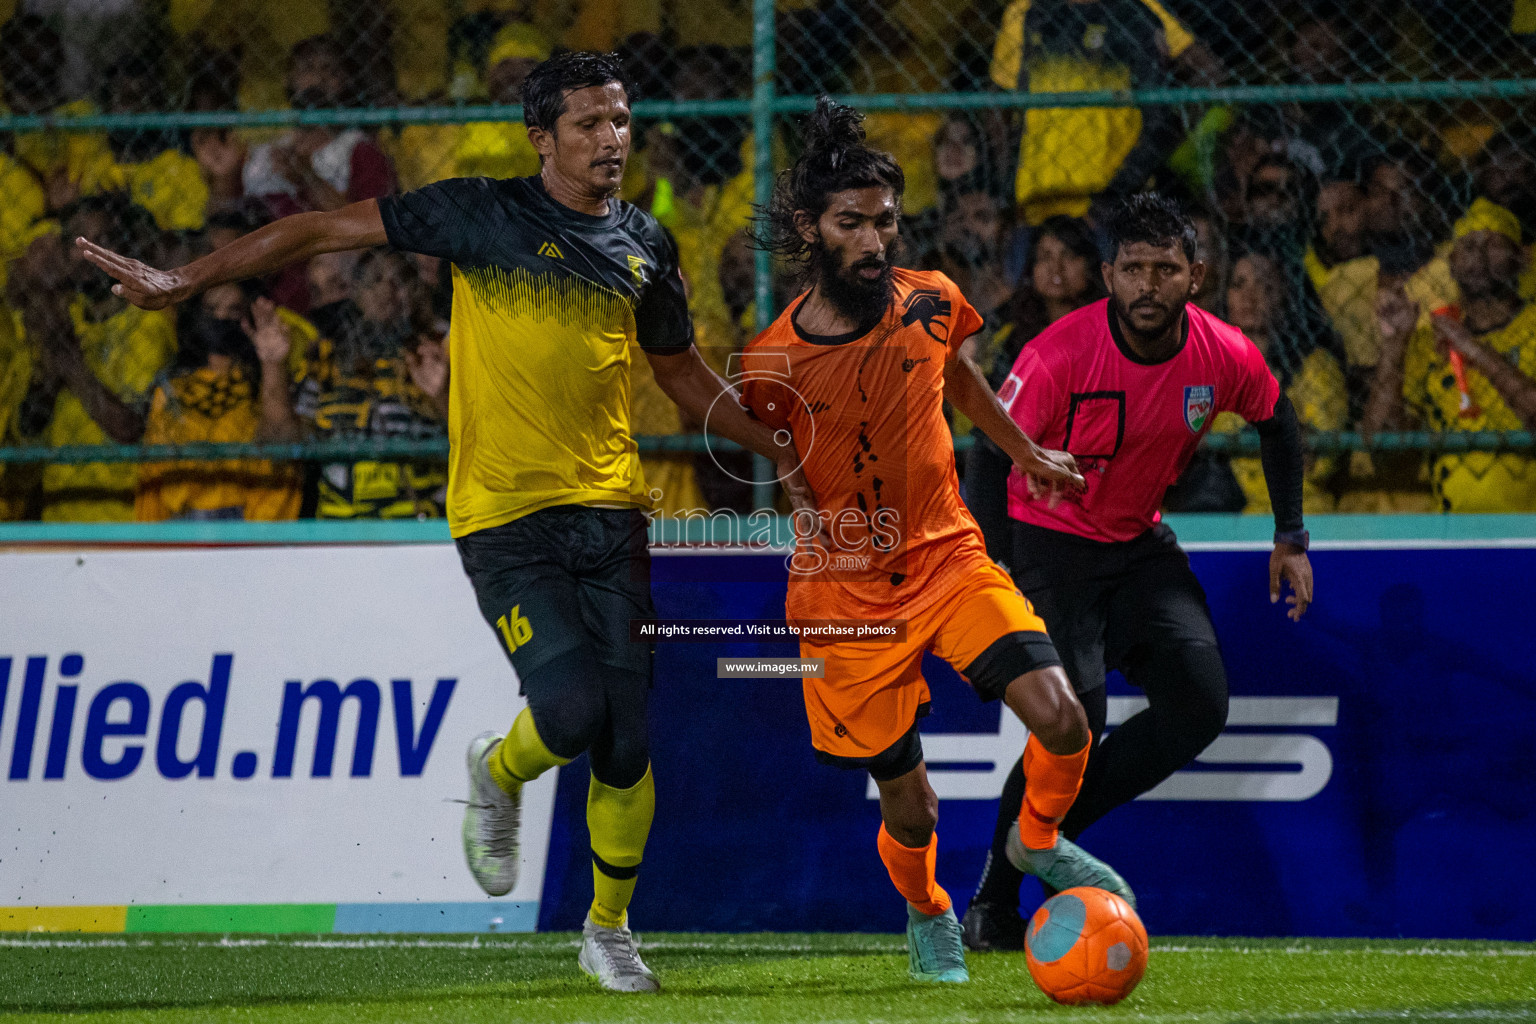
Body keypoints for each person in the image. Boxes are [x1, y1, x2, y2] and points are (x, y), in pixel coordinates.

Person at [77, 50, 810, 992]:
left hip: (613, 510)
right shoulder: (480, 210)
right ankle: (499, 771)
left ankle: (609, 930)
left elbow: (678, 373)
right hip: (503, 516)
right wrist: (184, 279)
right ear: (542, 138)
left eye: (621, 121)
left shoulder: (646, 243)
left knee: (627, 740)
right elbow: (316, 230)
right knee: (572, 712)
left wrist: (775, 449)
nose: (611, 140)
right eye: (589, 124)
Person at [740, 97, 1132, 986]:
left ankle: (1036, 842)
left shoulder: (931, 299)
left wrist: (1025, 450)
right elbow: (777, 456)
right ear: (812, 229)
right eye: (853, 223)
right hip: (848, 597)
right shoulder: (773, 362)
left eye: (887, 221)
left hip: (948, 557)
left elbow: (957, 372)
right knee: (912, 808)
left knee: (1065, 719)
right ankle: (928, 912)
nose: (875, 241)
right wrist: (801, 492)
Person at [961, 192, 1314, 950]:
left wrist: (1291, 535)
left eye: (1166, 269)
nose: (1148, 285)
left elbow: (1278, 422)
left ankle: (1040, 834)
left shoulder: (1224, 353)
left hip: (1139, 544)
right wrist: (993, 568)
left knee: (1201, 704)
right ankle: (993, 899)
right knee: (1071, 726)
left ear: (1196, 276)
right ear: (1108, 276)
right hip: (1047, 543)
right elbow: (989, 450)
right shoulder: (1059, 352)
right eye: (1133, 270)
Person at [1364, 198, 1536, 512]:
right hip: (1453, 529)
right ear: (1452, 264)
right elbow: (1385, 456)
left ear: (1521, 259)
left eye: (1494, 243)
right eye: (1468, 245)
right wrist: (1394, 344)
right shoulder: (1426, 343)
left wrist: (1472, 349)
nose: (1480, 254)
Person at [964, 216, 1105, 563]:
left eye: (1069, 256)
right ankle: (993, 560)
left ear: (1090, 266)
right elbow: (997, 408)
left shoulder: (1109, 326)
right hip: (1024, 453)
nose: (1056, 267)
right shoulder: (1008, 328)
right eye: (1044, 256)